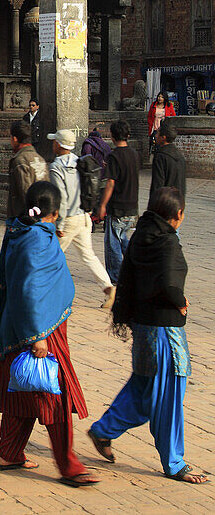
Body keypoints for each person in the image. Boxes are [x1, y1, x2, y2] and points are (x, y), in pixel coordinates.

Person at [0, 181, 98, 486]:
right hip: (38, 330)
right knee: (53, 394)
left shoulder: (23, 230)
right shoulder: (35, 240)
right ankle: (68, 465)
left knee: (21, 393)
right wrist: (37, 335)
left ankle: (10, 454)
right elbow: (29, 289)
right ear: (53, 213)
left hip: (21, 327)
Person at [88, 187, 207, 485]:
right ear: (177, 215)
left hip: (143, 328)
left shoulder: (142, 235)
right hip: (164, 331)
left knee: (143, 388)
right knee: (168, 394)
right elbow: (168, 282)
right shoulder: (166, 242)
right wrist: (179, 300)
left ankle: (104, 430)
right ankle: (174, 462)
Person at [0, 120, 48, 303]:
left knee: (8, 261)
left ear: (15, 138)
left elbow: (26, 192)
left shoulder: (19, 161)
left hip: (21, 220)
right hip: (40, 219)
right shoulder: (39, 159)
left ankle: (1, 294)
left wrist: (27, 217)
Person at [48, 129, 114, 309]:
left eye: (55, 142)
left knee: (51, 256)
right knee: (88, 256)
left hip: (68, 218)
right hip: (84, 216)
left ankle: (48, 293)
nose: (53, 144)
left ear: (59, 145)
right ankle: (108, 287)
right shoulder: (80, 162)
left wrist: (59, 223)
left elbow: (61, 196)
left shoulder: (56, 167)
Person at [97, 119, 140, 286]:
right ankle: (134, 267)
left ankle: (116, 277)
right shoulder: (135, 154)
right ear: (127, 136)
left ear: (112, 136)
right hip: (132, 206)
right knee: (123, 239)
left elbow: (110, 183)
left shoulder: (114, 156)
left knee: (113, 244)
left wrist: (102, 205)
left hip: (117, 206)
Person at [150, 119, 186, 203]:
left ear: (163, 137)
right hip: (177, 201)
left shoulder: (160, 156)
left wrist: (153, 204)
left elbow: (157, 184)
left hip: (164, 203)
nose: (156, 136)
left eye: (158, 134)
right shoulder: (180, 156)